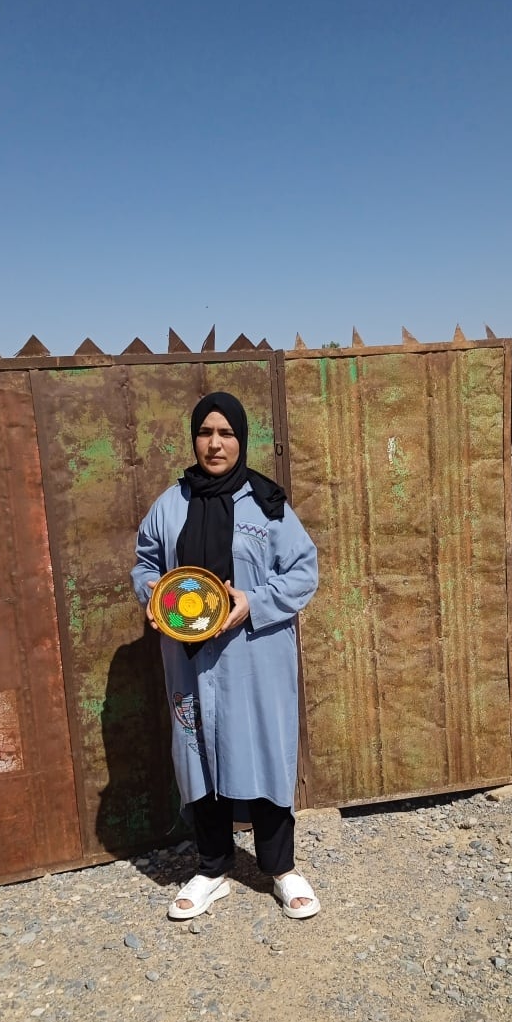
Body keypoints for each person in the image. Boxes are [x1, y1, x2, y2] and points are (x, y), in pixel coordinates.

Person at [131, 391, 320, 920]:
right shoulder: (170, 505)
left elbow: (303, 570)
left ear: (241, 439)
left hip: (254, 656)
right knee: (200, 753)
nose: (215, 444)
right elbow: (147, 564)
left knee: (262, 750)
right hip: (190, 662)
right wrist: (154, 599)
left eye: (226, 433)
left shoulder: (267, 505)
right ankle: (212, 868)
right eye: (205, 432)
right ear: (194, 438)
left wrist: (254, 602)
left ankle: (280, 869)